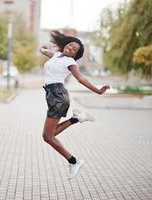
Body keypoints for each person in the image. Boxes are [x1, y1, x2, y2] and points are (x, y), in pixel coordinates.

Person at [40, 30, 110, 179]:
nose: (70, 48)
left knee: (48, 137)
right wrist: (45, 47)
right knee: (49, 136)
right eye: (70, 45)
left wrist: (98, 91)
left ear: (74, 55)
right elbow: (44, 51)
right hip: (52, 95)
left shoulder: (70, 63)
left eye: (74, 49)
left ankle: (74, 161)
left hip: (58, 95)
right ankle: (76, 119)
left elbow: (81, 79)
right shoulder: (57, 56)